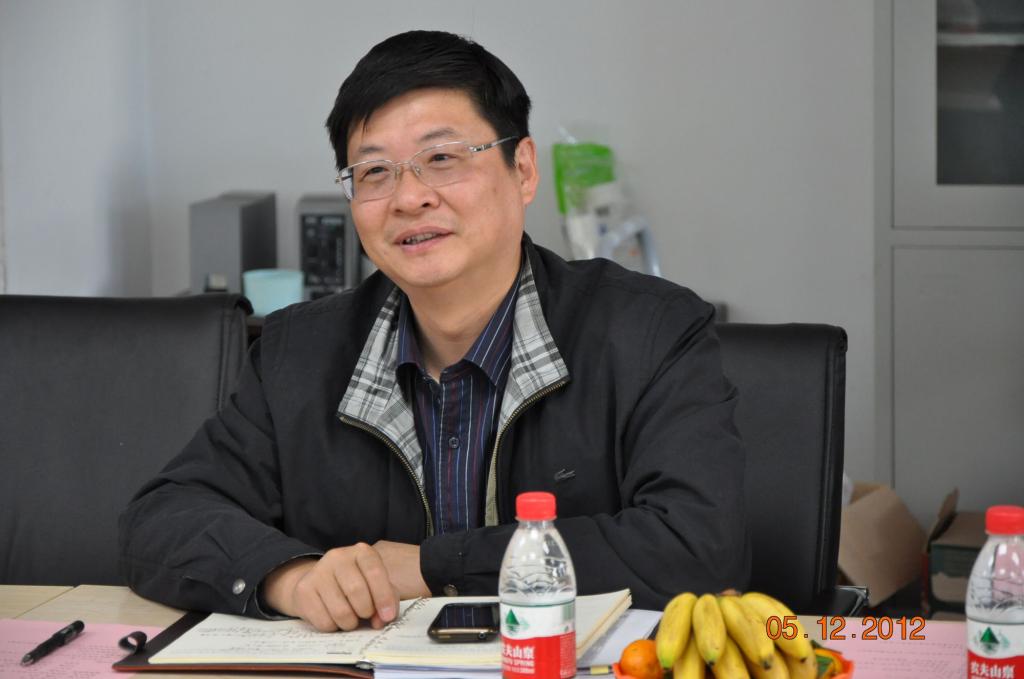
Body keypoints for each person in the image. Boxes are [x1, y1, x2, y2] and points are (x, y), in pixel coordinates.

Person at [119, 29, 750, 633]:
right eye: (374, 172)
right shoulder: (295, 354)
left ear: (523, 169)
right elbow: (161, 518)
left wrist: (430, 569)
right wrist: (292, 577)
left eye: (442, 159)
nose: (408, 198)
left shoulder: (650, 332)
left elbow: (699, 547)